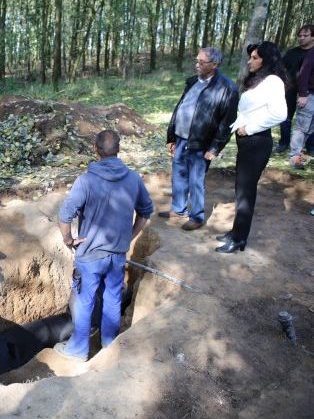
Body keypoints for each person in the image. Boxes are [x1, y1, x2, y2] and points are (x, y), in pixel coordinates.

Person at [53, 130, 153, 361]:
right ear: (119, 150)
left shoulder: (86, 181)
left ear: (95, 149)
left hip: (90, 255)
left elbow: (65, 215)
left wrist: (68, 240)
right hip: (117, 254)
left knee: (84, 300)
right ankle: (109, 345)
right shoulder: (133, 179)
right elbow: (145, 211)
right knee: (113, 298)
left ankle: (78, 350)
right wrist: (129, 237)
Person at [216, 42, 288, 253]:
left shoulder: (273, 81)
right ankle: (235, 232)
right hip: (248, 143)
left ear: (267, 60)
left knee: (245, 193)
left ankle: (239, 239)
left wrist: (249, 129)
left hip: (257, 142)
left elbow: (280, 114)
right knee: (241, 190)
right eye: (251, 57)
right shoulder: (261, 80)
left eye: (255, 57)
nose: (250, 61)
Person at [158, 47, 239, 231]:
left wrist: (215, 147)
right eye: (196, 61)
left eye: (201, 62)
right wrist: (171, 136)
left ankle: (197, 217)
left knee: (195, 180)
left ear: (214, 64)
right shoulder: (193, 81)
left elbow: (227, 122)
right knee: (178, 174)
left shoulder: (227, 88)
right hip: (181, 138)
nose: (197, 65)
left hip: (202, 143)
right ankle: (178, 210)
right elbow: (180, 107)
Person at [277, 24, 314, 154]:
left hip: (310, 92)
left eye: (305, 35)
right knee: (285, 117)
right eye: (299, 35)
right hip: (290, 90)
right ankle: (284, 142)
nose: (301, 38)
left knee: (310, 120)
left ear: (313, 37)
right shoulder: (291, 53)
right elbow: (281, 69)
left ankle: (310, 146)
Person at [289, 45, 314, 169]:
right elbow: (304, 73)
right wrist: (303, 94)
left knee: (310, 128)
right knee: (301, 127)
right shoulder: (312, 53)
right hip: (309, 95)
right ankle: (294, 156)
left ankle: (299, 153)